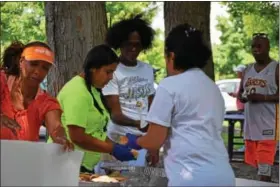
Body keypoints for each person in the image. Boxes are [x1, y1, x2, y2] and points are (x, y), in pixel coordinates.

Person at [123, 24, 236, 186]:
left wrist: (134, 141)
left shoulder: (169, 86)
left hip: (191, 177)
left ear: (172, 56)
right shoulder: (212, 87)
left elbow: (154, 140)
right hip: (223, 174)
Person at [47, 44, 136, 174]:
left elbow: (95, 132)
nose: (111, 77)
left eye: (113, 72)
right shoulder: (77, 91)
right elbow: (77, 136)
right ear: (93, 69)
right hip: (65, 165)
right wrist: (112, 149)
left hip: (81, 166)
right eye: (108, 72)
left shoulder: (93, 90)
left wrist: (120, 146)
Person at [102, 15, 156, 166]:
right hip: (120, 140)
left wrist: (153, 139)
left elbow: (152, 106)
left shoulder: (147, 69)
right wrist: (141, 124)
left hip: (144, 140)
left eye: (137, 45)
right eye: (128, 44)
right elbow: (116, 115)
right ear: (119, 44)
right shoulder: (112, 71)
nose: (133, 49)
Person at [0, 41, 73, 151]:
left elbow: (56, 127)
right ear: (21, 62)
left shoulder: (46, 102)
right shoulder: (2, 82)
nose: (38, 72)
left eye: (45, 68)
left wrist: (60, 137)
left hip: (23, 163)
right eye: (33, 64)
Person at [237, 33, 279, 182]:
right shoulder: (247, 70)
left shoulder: (276, 68)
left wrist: (263, 98)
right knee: (257, 166)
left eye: (259, 46)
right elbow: (241, 93)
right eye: (253, 46)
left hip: (269, 126)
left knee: (264, 168)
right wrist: (243, 97)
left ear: (268, 47)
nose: (255, 49)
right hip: (251, 126)